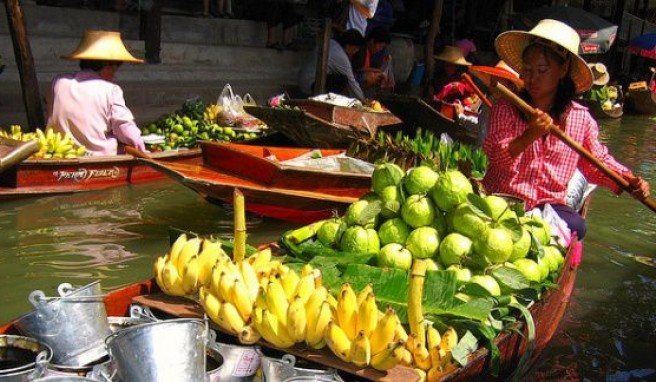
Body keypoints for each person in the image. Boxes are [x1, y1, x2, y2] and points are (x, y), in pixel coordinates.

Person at [484, 19, 650, 239]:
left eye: (541, 70)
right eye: (528, 70)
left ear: (563, 70)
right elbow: (495, 156)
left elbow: (596, 162)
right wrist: (528, 136)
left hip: (546, 206)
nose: (531, 78)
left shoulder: (580, 118)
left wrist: (630, 181)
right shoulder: (506, 107)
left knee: (577, 226)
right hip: (504, 199)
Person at [46, 30, 146, 156]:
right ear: (108, 67)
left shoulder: (59, 82)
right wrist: (141, 147)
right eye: (114, 69)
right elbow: (124, 127)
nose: (114, 75)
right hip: (98, 157)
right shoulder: (111, 90)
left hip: (58, 152)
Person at [298, 29, 366, 100]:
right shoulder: (341, 57)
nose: (356, 52)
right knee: (342, 80)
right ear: (348, 46)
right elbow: (352, 82)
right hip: (310, 84)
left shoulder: (331, 42)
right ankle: (327, 100)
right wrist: (363, 100)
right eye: (355, 48)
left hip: (303, 79)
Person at [468, 60, 524, 143]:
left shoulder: (513, 110)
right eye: (493, 80)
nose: (492, 85)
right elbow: (482, 127)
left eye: (497, 81)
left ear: (511, 86)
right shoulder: (491, 100)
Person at [353, 27, 395, 96]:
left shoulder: (371, 53)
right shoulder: (361, 49)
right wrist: (377, 71)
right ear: (372, 41)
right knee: (372, 76)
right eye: (380, 46)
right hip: (353, 78)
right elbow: (358, 68)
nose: (380, 49)